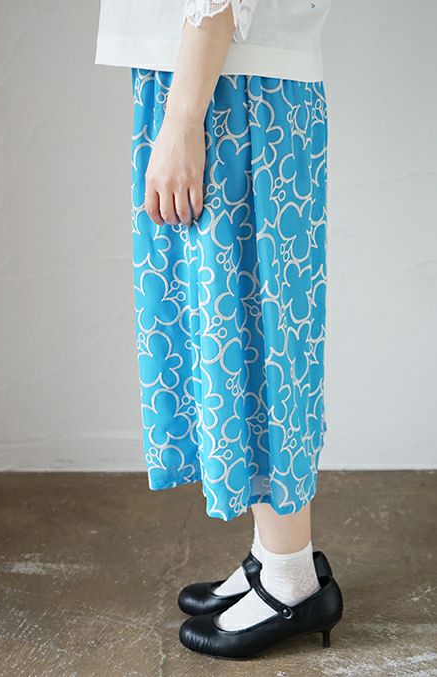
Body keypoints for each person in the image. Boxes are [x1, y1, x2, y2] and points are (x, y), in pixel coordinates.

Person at [95, 0, 343, 660]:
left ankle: (292, 580)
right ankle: (275, 555)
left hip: (233, 89)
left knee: (258, 336)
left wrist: (184, 118)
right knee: (236, 332)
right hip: (212, 76)